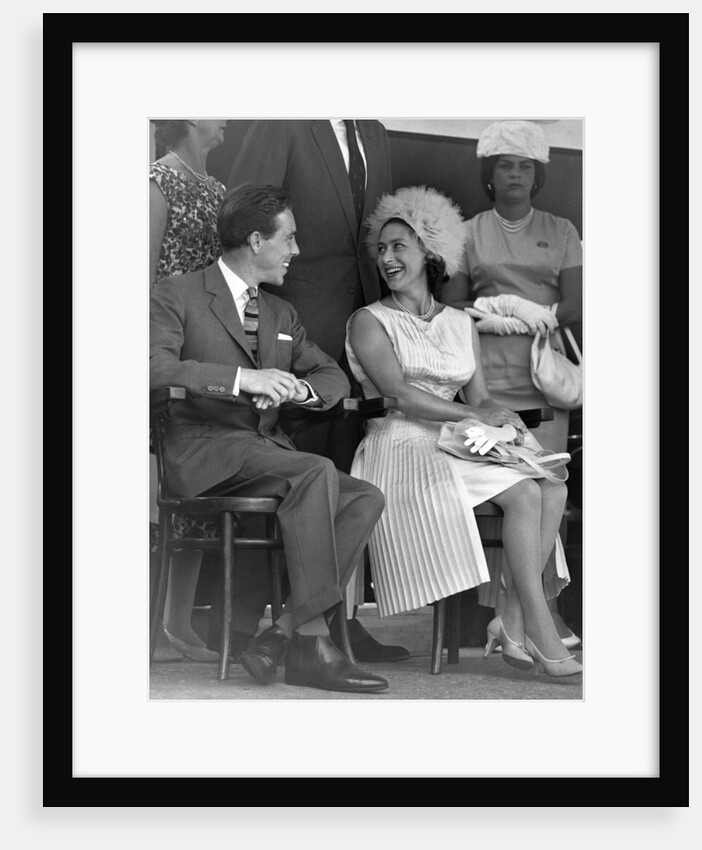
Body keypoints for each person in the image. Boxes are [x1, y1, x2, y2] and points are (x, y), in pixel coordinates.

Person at [150, 182, 389, 694]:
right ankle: (311, 645)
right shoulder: (177, 293)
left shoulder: (281, 314)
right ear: (257, 240)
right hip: (202, 450)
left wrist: (298, 389)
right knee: (315, 471)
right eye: (289, 238)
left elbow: (331, 376)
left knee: (365, 497)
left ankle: (280, 635)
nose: (296, 250)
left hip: (265, 454)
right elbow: (153, 368)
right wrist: (243, 380)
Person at [345, 185, 582, 679]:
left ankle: (511, 619)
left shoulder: (459, 322)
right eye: (381, 249)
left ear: (430, 251)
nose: (386, 258)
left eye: (398, 246)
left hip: (454, 442)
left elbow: (480, 398)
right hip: (400, 447)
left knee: (552, 487)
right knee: (524, 493)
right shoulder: (368, 321)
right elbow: (401, 395)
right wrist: (475, 417)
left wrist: (502, 416)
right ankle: (536, 627)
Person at [227, 119, 408, 663]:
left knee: (343, 476)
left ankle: (330, 623)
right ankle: (239, 622)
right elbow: (245, 218)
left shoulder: (374, 131)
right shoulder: (282, 119)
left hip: (361, 327)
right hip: (290, 319)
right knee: (277, 468)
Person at [440, 120, 583, 648]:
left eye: (525, 166)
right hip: (486, 384)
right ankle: (506, 617)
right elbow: (451, 303)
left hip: (544, 381)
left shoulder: (562, 230)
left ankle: (536, 613)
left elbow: (578, 302)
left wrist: (539, 315)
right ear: (490, 173)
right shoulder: (468, 232)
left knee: (549, 494)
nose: (516, 174)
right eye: (506, 165)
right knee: (504, 495)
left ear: (538, 175)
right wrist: (496, 311)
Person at [149, 118, 228, 662]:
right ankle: (145, 624)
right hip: (168, 348)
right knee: (162, 488)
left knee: (201, 479)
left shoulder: (217, 188)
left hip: (213, 351)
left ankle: (177, 621)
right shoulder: (157, 181)